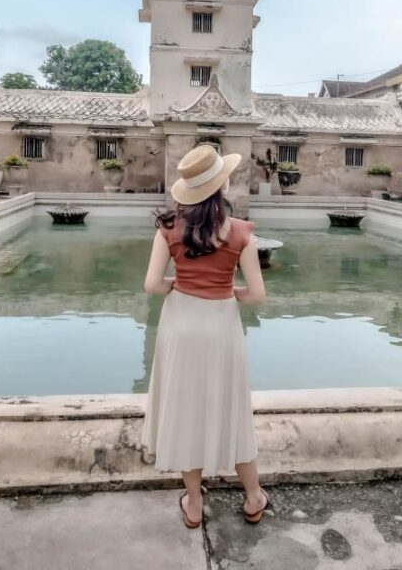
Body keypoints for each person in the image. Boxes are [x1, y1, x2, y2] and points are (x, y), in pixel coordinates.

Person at [142, 144, 268, 529]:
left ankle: (194, 504)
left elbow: (151, 285)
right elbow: (257, 295)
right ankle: (253, 498)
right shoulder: (242, 232)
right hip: (221, 327)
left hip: (181, 324)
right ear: (221, 186)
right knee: (232, 411)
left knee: (185, 413)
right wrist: (228, 291)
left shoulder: (168, 230)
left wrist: (177, 284)